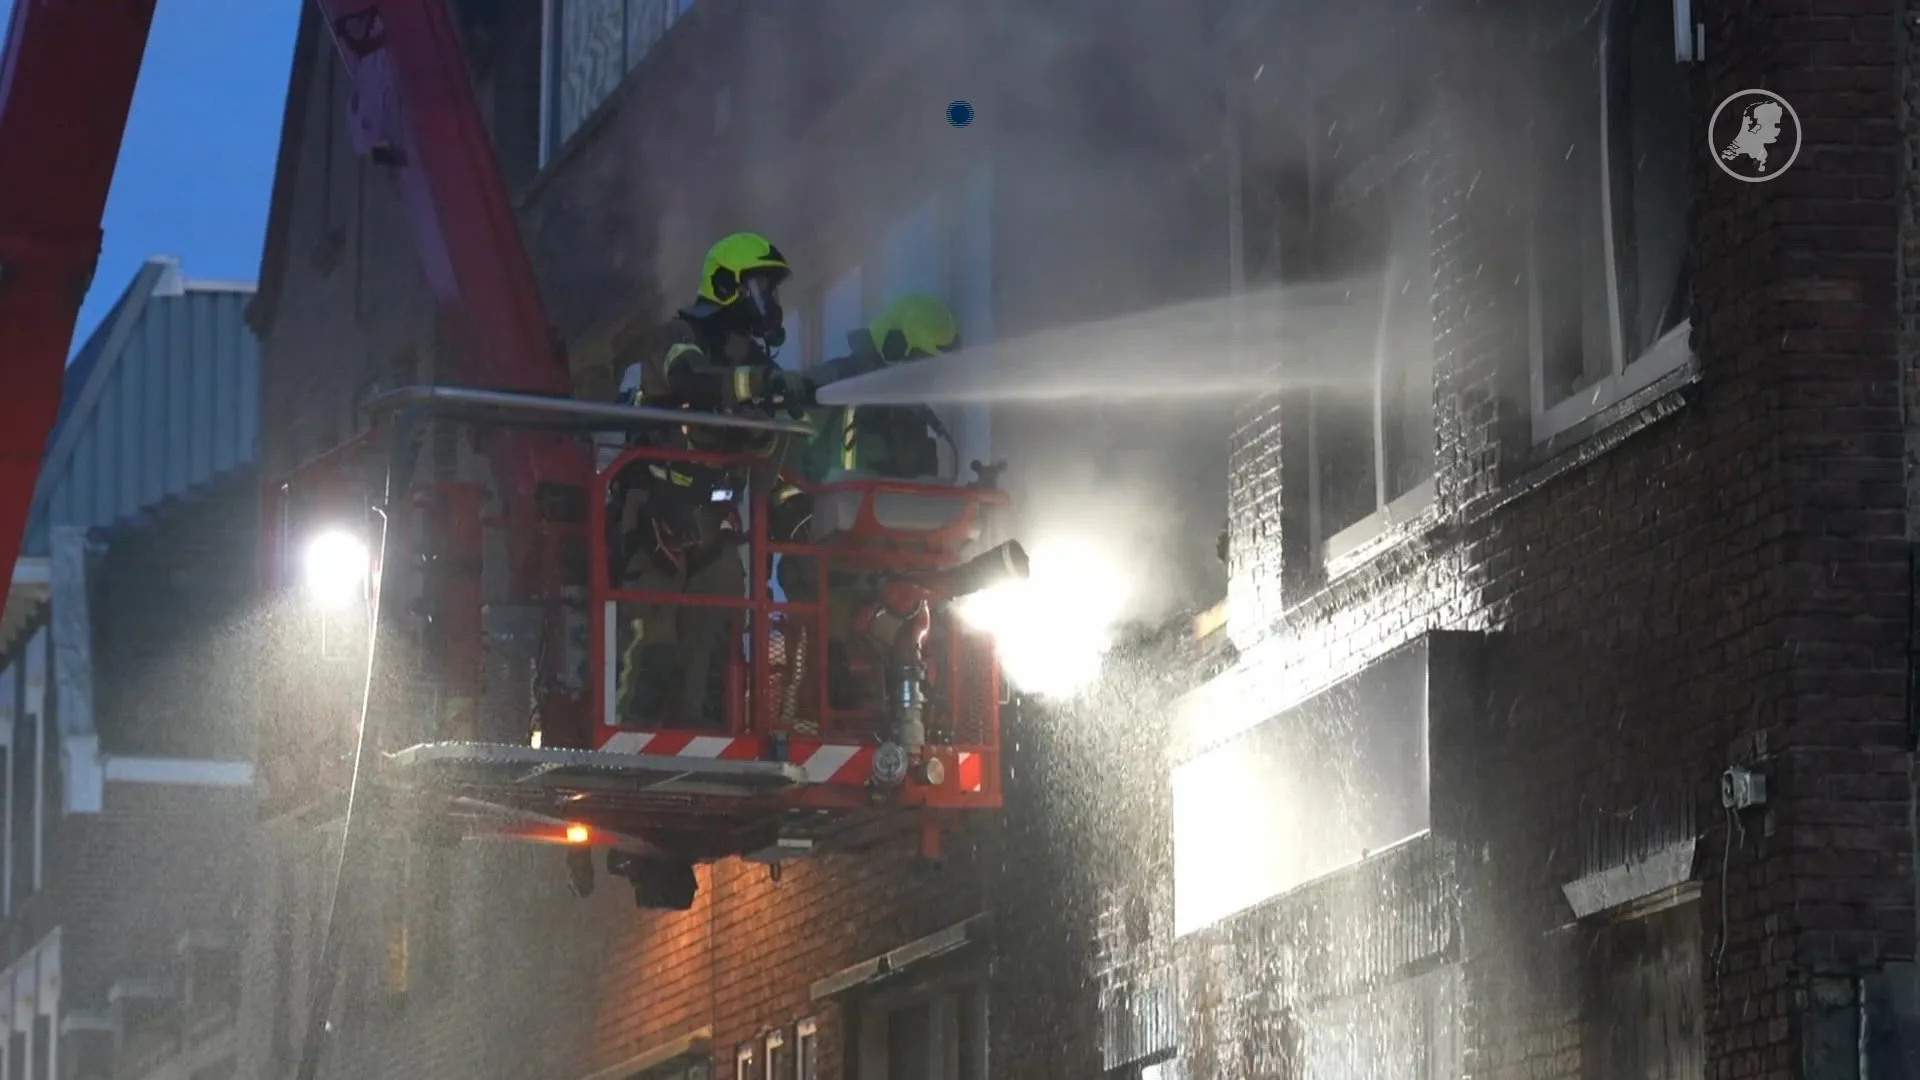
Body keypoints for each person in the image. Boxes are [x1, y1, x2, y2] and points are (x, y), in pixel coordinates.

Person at [611, 232, 807, 728]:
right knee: (651, 650)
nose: (769, 301)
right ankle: (626, 748)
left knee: (718, 650)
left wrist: (779, 404)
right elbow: (690, 380)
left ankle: (706, 747)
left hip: (715, 527)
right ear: (726, 285)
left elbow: (760, 446)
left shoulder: (755, 363)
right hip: (654, 521)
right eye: (760, 286)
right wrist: (755, 385)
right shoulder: (675, 340)